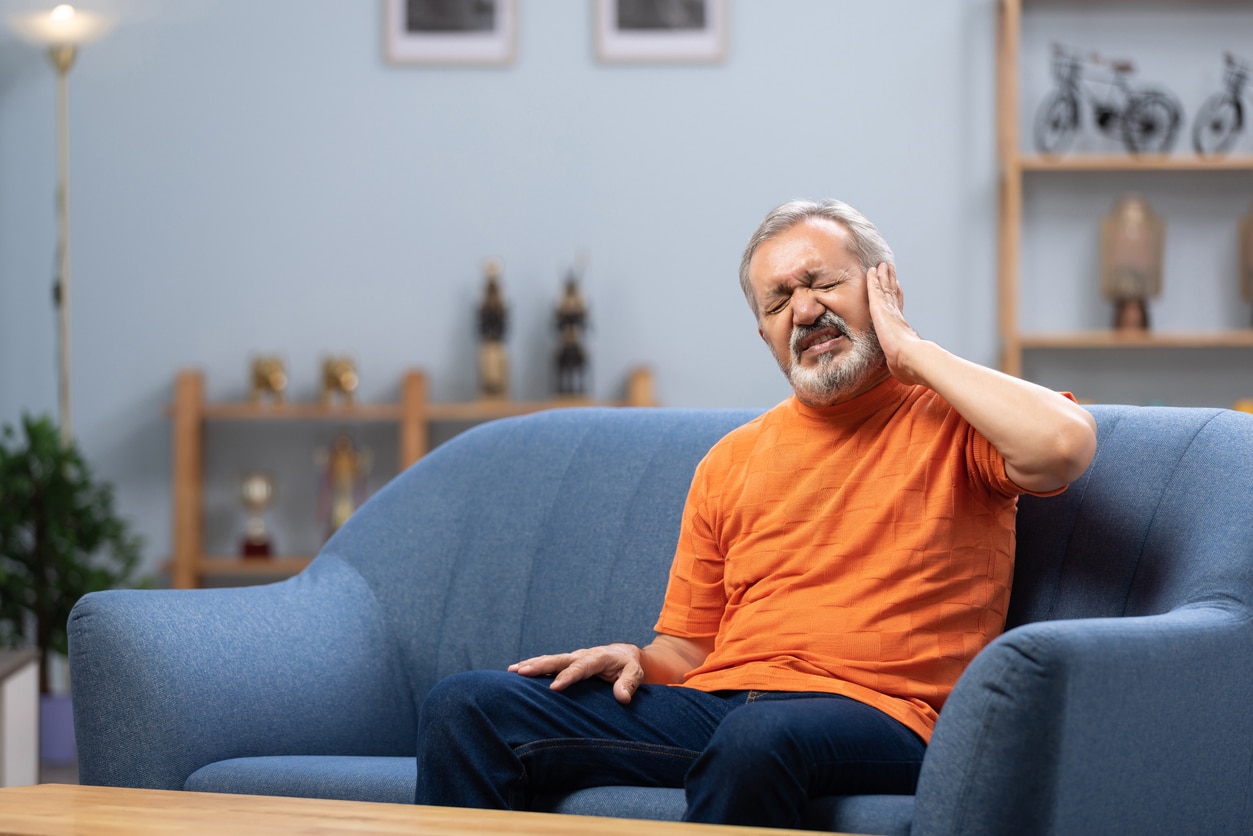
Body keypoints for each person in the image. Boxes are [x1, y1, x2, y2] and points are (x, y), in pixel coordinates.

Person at [414, 199, 1097, 829]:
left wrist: (910, 351)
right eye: (777, 302)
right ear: (766, 333)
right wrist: (635, 659)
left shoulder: (954, 420)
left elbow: (1064, 444)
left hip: (887, 715)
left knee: (757, 737)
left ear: (881, 287)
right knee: (467, 708)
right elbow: (687, 650)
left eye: (822, 283)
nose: (803, 311)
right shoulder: (730, 459)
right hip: (724, 705)